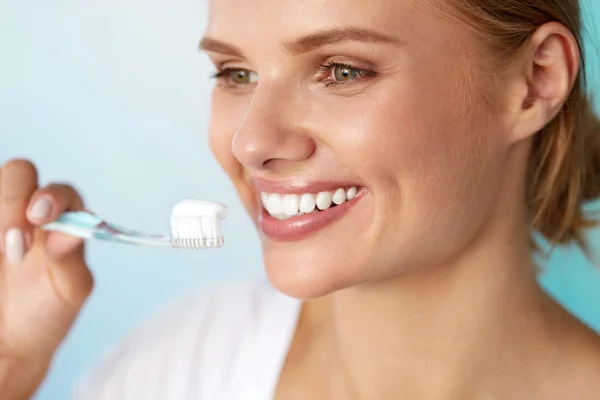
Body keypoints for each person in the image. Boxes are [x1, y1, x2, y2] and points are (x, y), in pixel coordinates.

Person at [2, 0, 600, 398]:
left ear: (535, 81)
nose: (252, 142)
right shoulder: (184, 364)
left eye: (340, 70)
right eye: (235, 73)